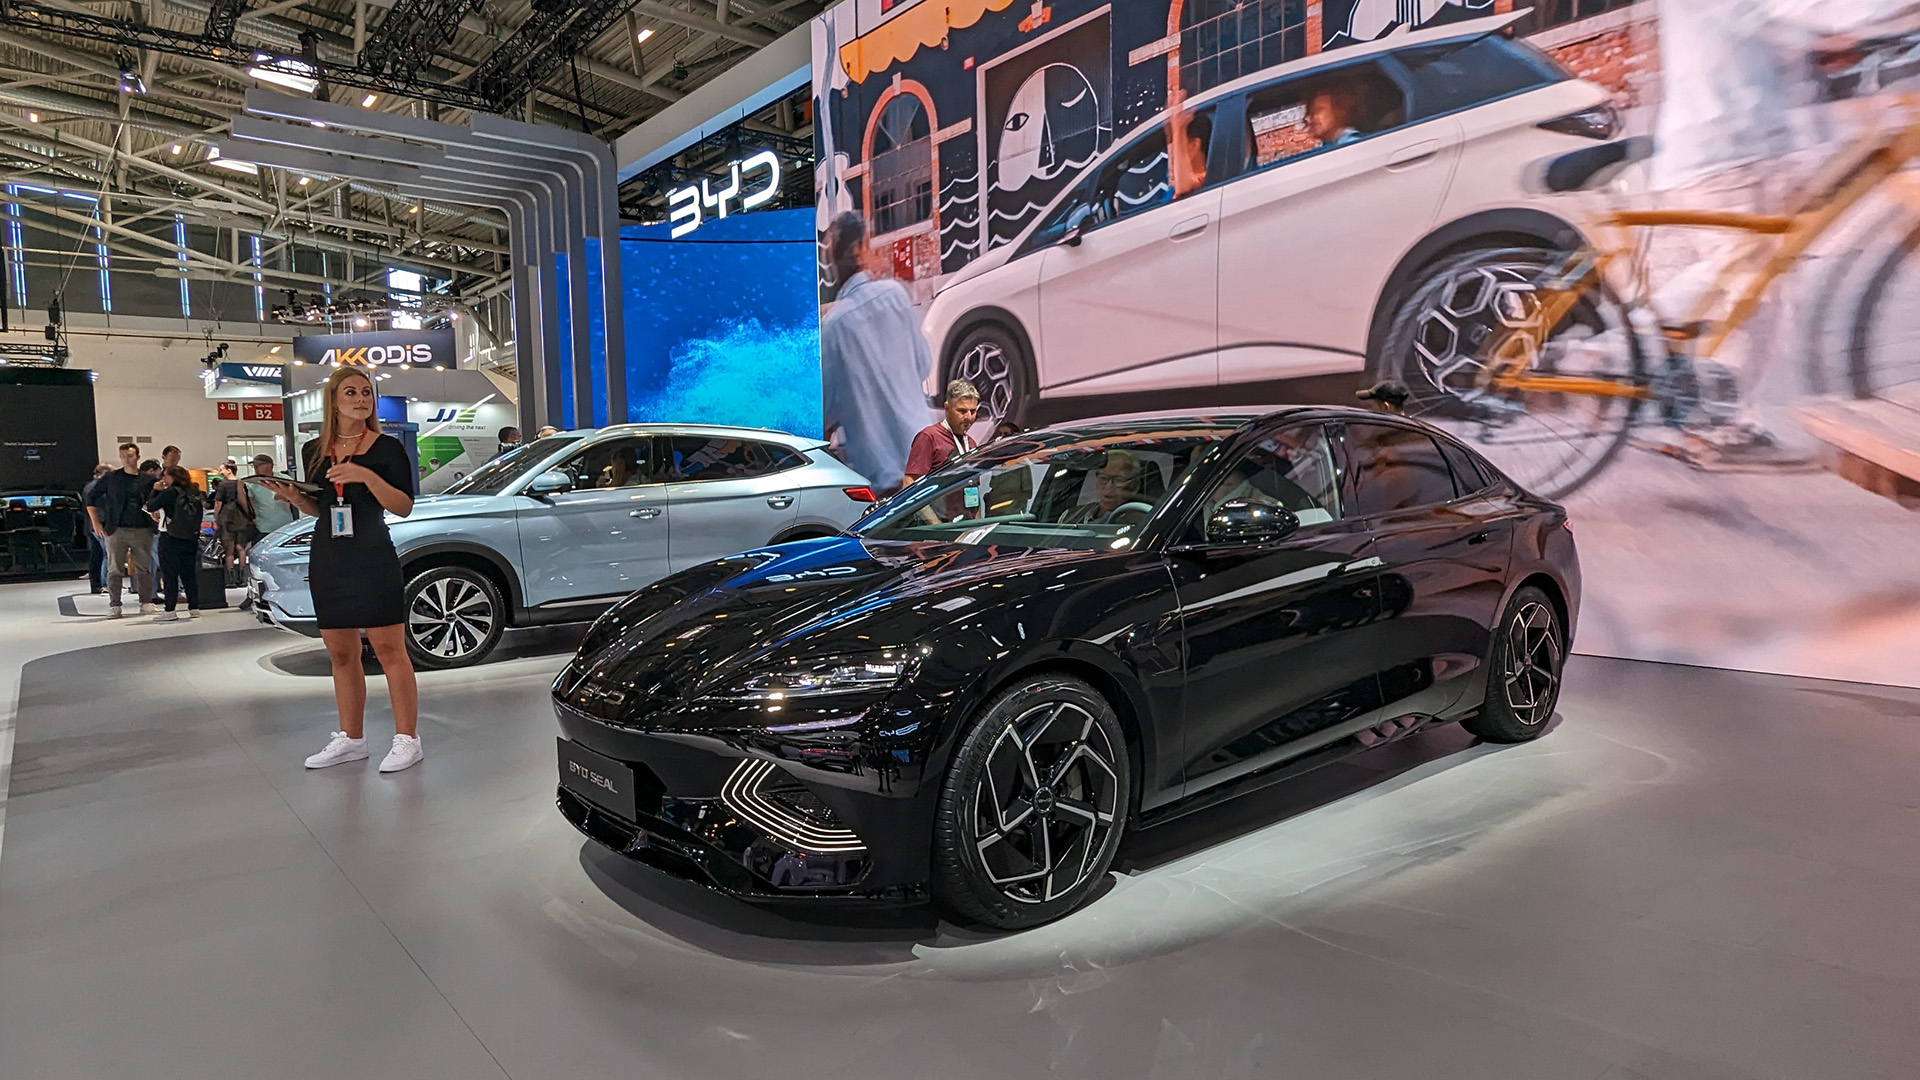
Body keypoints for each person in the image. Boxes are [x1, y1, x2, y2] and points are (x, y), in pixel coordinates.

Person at [258, 366, 423, 774]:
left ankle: (407, 739)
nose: (361, 399)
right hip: (330, 556)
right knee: (340, 653)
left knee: (389, 650)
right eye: (351, 392)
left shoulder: (387, 449)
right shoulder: (314, 450)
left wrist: (365, 475)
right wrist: (295, 498)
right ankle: (351, 738)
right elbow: (323, 508)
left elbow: (403, 506)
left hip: (372, 553)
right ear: (333, 400)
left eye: (366, 392)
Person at [818, 211, 933, 495]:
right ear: (860, 249)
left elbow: (825, 417)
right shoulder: (895, 295)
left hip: (884, 485)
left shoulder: (833, 327)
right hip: (927, 466)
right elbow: (923, 364)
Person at [85, 444, 156, 617]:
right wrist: (96, 523)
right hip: (116, 529)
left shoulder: (148, 480)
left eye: (130, 455)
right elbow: (91, 497)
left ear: (138, 456)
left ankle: (146, 602)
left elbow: (155, 501)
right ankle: (115, 604)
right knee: (114, 569)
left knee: (144, 569)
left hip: (142, 528)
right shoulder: (111, 478)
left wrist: (155, 515)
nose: (126, 459)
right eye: (123, 456)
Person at [145, 465, 205, 621]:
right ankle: (194, 608)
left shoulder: (171, 492)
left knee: (170, 574)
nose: (163, 478)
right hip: (190, 537)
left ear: (172, 477)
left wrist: (155, 490)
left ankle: (170, 610)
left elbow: (150, 506)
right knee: (189, 574)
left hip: (170, 536)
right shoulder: (193, 491)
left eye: (165, 475)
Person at [905, 381, 981, 485]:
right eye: (962, 411)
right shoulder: (929, 437)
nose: (968, 417)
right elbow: (910, 482)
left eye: (973, 411)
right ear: (947, 408)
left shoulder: (971, 443)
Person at [1061, 450, 1146, 524]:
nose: (1109, 488)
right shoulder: (1071, 515)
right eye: (1103, 478)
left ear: (1134, 486)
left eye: (1119, 480)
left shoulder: (1141, 522)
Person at [1168, 86, 1211, 199]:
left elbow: (1184, 187)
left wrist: (1178, 129)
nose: (1172, 156)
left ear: (1195, 144)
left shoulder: (1205, 178)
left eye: (1179, 144)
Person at [78, 463, 112, 594]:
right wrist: (99, 524)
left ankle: (97, 584)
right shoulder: (97, 487)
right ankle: (105, 583)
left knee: (97, 554)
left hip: (92, 526)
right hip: (100, 525)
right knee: (107, 554)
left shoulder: (89, 486)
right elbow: (96, 507)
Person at [1304, 83, 1364, 148]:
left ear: (1338, 112)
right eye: (1311, 111)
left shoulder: (1351, 143)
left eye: (1320, 110)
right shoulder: (1326, 144)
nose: (1312, 116)